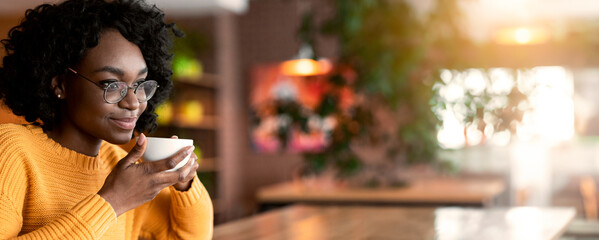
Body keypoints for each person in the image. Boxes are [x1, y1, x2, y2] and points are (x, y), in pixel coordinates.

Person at [0, 0, 213, 239]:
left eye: (140, 84)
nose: (133, 102)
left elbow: (187, 236)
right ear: (59, 83)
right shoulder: (12, 149)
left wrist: (183, 182)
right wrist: (113, 201)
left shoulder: (120, 164)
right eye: (111, 84)